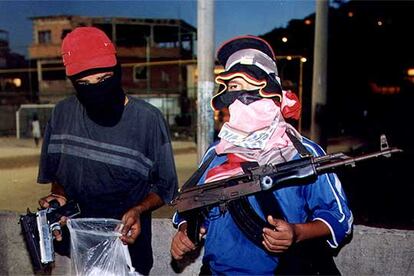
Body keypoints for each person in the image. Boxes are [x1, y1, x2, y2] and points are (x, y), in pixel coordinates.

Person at [170, 35, 353, 275]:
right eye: (234, 90)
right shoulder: (216, 155)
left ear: (273, 94)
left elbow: (340, 218)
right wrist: (185, 231)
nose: (243, 102)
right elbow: (189, 208)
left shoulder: (303, 153)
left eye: (253, 90)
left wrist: (297, 233)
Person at [37, 27, 178, 275]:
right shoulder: (62, 114)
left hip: (125, 253)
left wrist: (138, 209)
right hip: (70, 252)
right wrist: (58, 197)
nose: (97, 90)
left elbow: (165, 187)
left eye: (103, 80)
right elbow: (59, 175)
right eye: (84, 83)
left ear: (117, 70)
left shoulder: (148, 120)